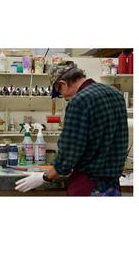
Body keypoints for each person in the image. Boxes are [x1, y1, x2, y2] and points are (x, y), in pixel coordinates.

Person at [15, 61, 128, 196]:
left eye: (60, 92)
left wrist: (44, 177)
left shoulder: (80, 100)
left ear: (62, 83)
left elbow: (70, 152)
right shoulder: (116, 94)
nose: (65, 98)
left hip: (89, 186)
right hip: (113, 185)